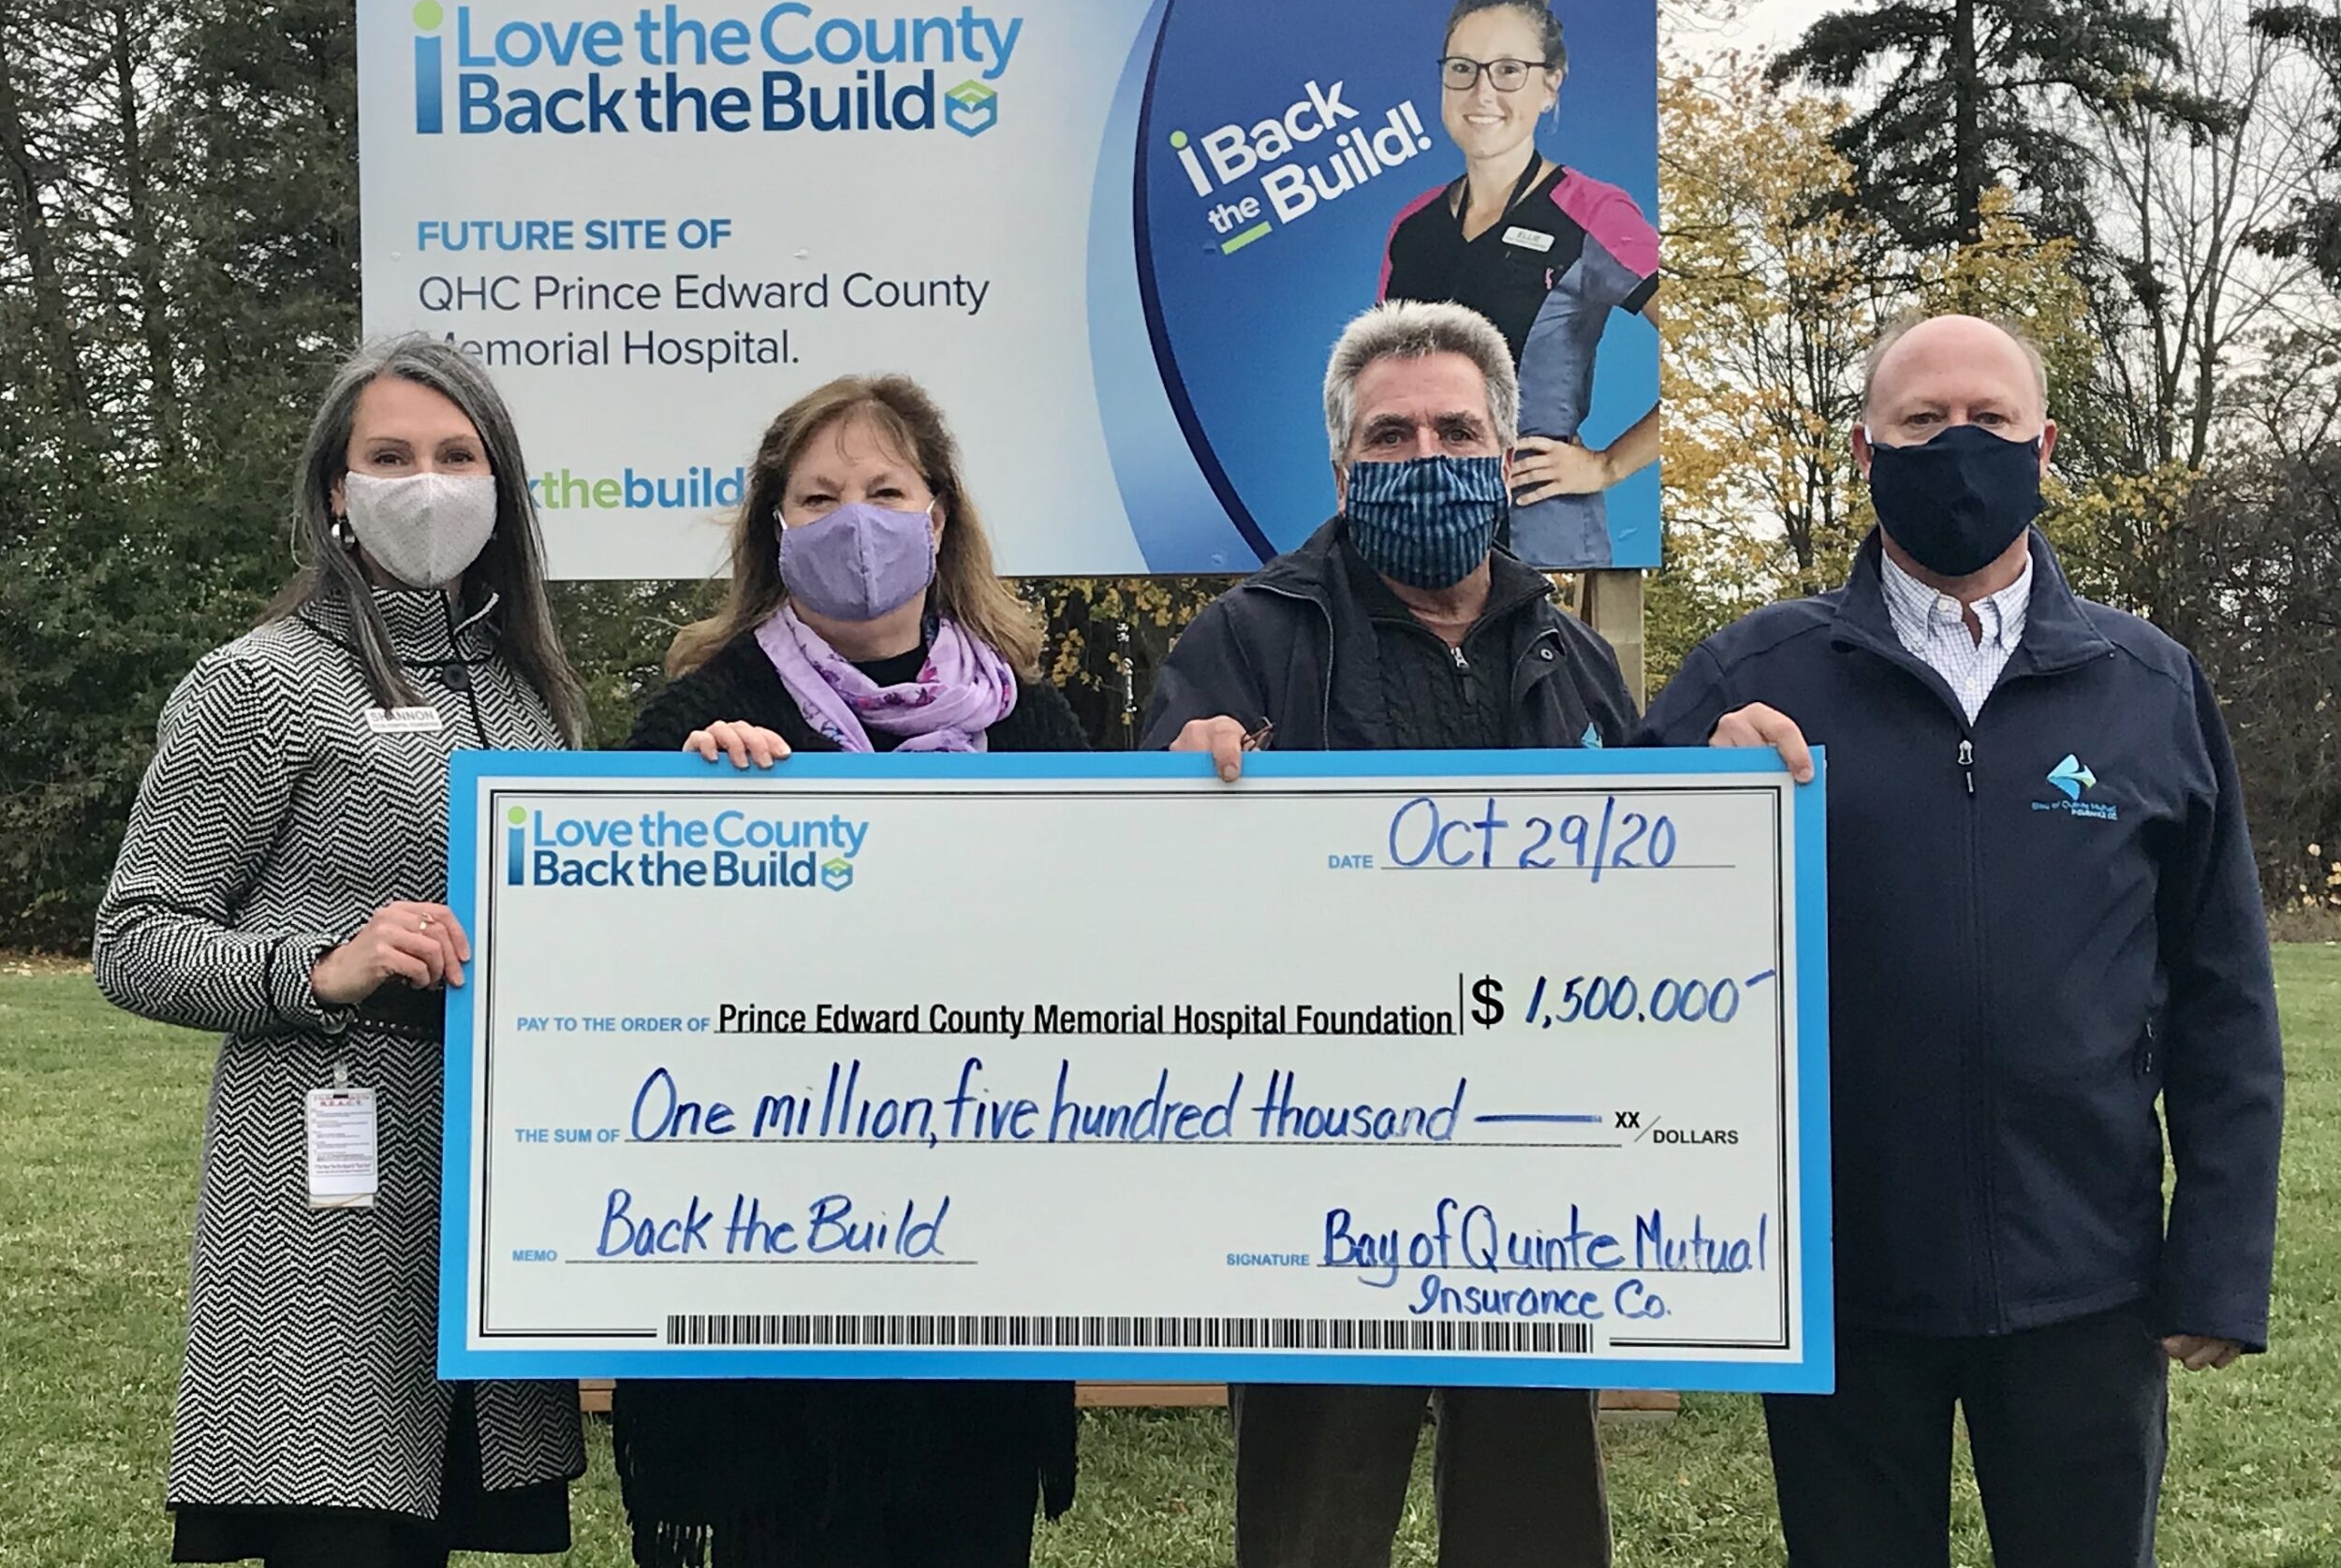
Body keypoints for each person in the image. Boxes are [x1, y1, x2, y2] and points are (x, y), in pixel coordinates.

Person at [1642, 312, 2285, 1568]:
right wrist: (1695, 810)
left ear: (2044, 447)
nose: (1958, 445)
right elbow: (1617, 948)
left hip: (2085, 1275)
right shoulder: (1751, 679)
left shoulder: (2148, 688)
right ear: (1864, 446)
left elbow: (2224, 995)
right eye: (1922, 421)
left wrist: (2219, 1256)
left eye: (1989, 420)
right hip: (1839, 1275)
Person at [1141, 299, 1631, 1568]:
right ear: (1343, 469)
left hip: (1534, 1173)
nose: (1427, 455)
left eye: (1457, 428)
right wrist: (1173, 789)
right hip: (1319, 1180)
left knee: (1535, 1527)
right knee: (1311, 1530)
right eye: (1391, 435)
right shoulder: (1242, 641)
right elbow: (1144, 906)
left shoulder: (1576, 659)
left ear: (1506, 446)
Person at [94, 336, 589, 1568]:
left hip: (483, 1190)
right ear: (335, 488)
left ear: (500, 483)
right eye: (390, 455)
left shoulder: (534, 690)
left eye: (456, 454)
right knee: (342, 1532)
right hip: (327, 1200)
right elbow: (135, 937)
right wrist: (316, 966)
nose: (426, 482)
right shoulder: (257, 683)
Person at [610, 374, 1085, 1568]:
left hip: (974, 1296)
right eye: (818, 498)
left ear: (937, 517)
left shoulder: (1037, 727)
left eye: (883, 490)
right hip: (756, 1306)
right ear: (775, 530)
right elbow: (625, 986)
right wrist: (684, 812)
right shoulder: (695, 722)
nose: (854, 521)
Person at [1378, 0, 1660, 569]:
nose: (1482, 91)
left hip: (1542, 547)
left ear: (1551, 81)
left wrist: (1609, 465)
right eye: (1463, 68)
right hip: (1420, 537)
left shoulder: (1593, 212)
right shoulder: (1414, 227)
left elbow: (1704, 338)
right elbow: (1382, 388)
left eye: (1509, 69)